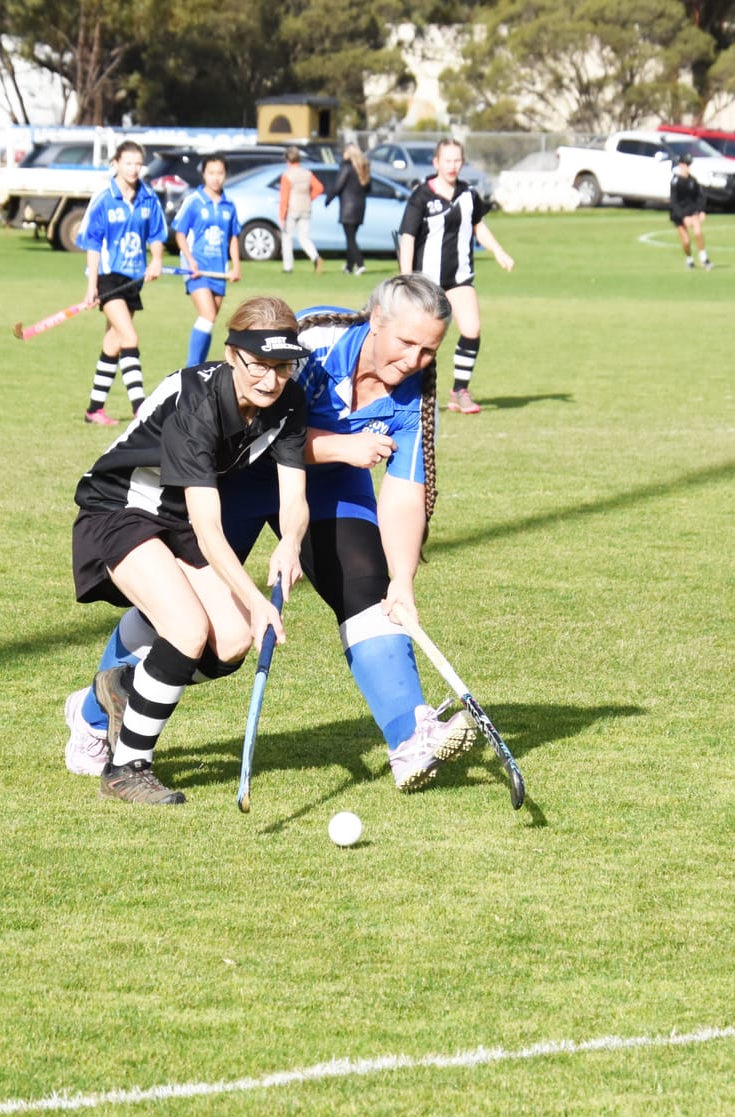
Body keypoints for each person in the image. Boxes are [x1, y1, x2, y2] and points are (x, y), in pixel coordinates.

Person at [65, 275, 479, 794]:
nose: (416, 359)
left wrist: (403, 580)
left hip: (307, 487)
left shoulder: (404, 392)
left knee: (363, 587)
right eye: (406, 343)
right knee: (175, 617)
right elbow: (248, 426)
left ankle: (408, 737)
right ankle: (95, 717)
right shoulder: (307, 344)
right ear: (377, 321)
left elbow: (403, 493)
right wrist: (341, 448)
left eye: (429, 349)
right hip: (219, 484)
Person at [69, 296, 313, 805]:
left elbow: (295, 498)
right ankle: (126, 767)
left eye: (283, 368)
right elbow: (207, 529)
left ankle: (123, 688)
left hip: (175, 517)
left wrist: (290, 543)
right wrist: (259, 597)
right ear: (231, 354)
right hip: (119, 508)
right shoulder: (195, 402)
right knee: (186, 629)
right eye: (259, 367)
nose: (271, 381)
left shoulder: (289, 401)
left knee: (232, 642)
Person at [398, 139, 514, 414]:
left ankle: (459, 391)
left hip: (460, 278)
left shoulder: (468, 194)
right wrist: (406, 278)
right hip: (427, 282)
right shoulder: (422, 196)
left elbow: (478, 226)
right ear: (436, 163)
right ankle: (409, 393)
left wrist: (498, 251)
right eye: (447, 160)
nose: (452, 166)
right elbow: (408, 238)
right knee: (421, 339)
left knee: (472, 330)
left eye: (457, 160)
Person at [79, 141, 167, 426]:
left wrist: (155, 260)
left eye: (137, 163)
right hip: (108, 277)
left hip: (134, 277)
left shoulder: (148, 197)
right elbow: (92, 243)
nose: (133, 169)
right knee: (130, 338)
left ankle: (94, 410)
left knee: (114, 342)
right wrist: (92, 285)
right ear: (115, 163)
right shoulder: (104, 198)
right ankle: (141, 408)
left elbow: (156, 234)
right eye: (128, 163)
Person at [173, 154, 243, 365]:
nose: (215, 178)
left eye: (220, 173)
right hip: (196, 268)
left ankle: (197, 369)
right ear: (203, 174)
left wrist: (236, 267)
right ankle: (191, 369)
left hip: (218, 270)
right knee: (208, 315)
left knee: (209, 321)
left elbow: (233, 238)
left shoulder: (229, 205)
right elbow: (180, 234)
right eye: (211, 173)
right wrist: (190, 260)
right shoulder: (193, 201)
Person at [278, 147, 324, 276]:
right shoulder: (307, 173)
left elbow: (284, 197)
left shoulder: (287, 175)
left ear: (287, 160)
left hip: (292, 209)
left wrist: (282, 215)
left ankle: (288, 267)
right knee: (304, 237)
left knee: (287, 238)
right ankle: (315, 257)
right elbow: (319, 188)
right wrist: (310, 197)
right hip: (306, 208)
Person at [330, 144, 371, 276]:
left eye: (345, 151)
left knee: (350, 238)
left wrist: (328, 198)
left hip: (348, 207)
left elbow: (338, 185)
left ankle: (360, 264)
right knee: (351, 237)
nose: (343, 153)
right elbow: (368, 188)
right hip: (360, 206)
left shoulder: (346, 167)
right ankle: (349, 266)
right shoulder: (363, 168)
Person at [669, 156, 712, 271]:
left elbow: (700, 196)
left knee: (698, 233)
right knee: (686, 241)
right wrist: (682, 216)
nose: (689, 167)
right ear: (681, 165)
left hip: (692, 211)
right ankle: (689, 259)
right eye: (687, 165)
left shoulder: (693, 180)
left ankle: (704, 259)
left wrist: (701, 210)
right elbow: (674, 201)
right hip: (679, 213)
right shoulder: (675, 182)